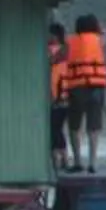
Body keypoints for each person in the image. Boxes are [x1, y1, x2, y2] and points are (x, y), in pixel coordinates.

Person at [63, 12, 106, 174]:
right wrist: (99, 30)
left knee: (74, 126)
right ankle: (93, 163)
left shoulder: (70, 41)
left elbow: (58, 56)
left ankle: (77, 161)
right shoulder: (99, 41)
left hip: (76, 87)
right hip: (96, 88)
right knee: (94, 128)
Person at [45, 20, 74, 174]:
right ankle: (62, 159)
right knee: (57, 129)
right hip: (65, 97)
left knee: (54, 130)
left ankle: (60, 159)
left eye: (49, 35)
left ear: (55, 36)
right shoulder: (67, 50)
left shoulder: (52, 51)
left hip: (58, 99)